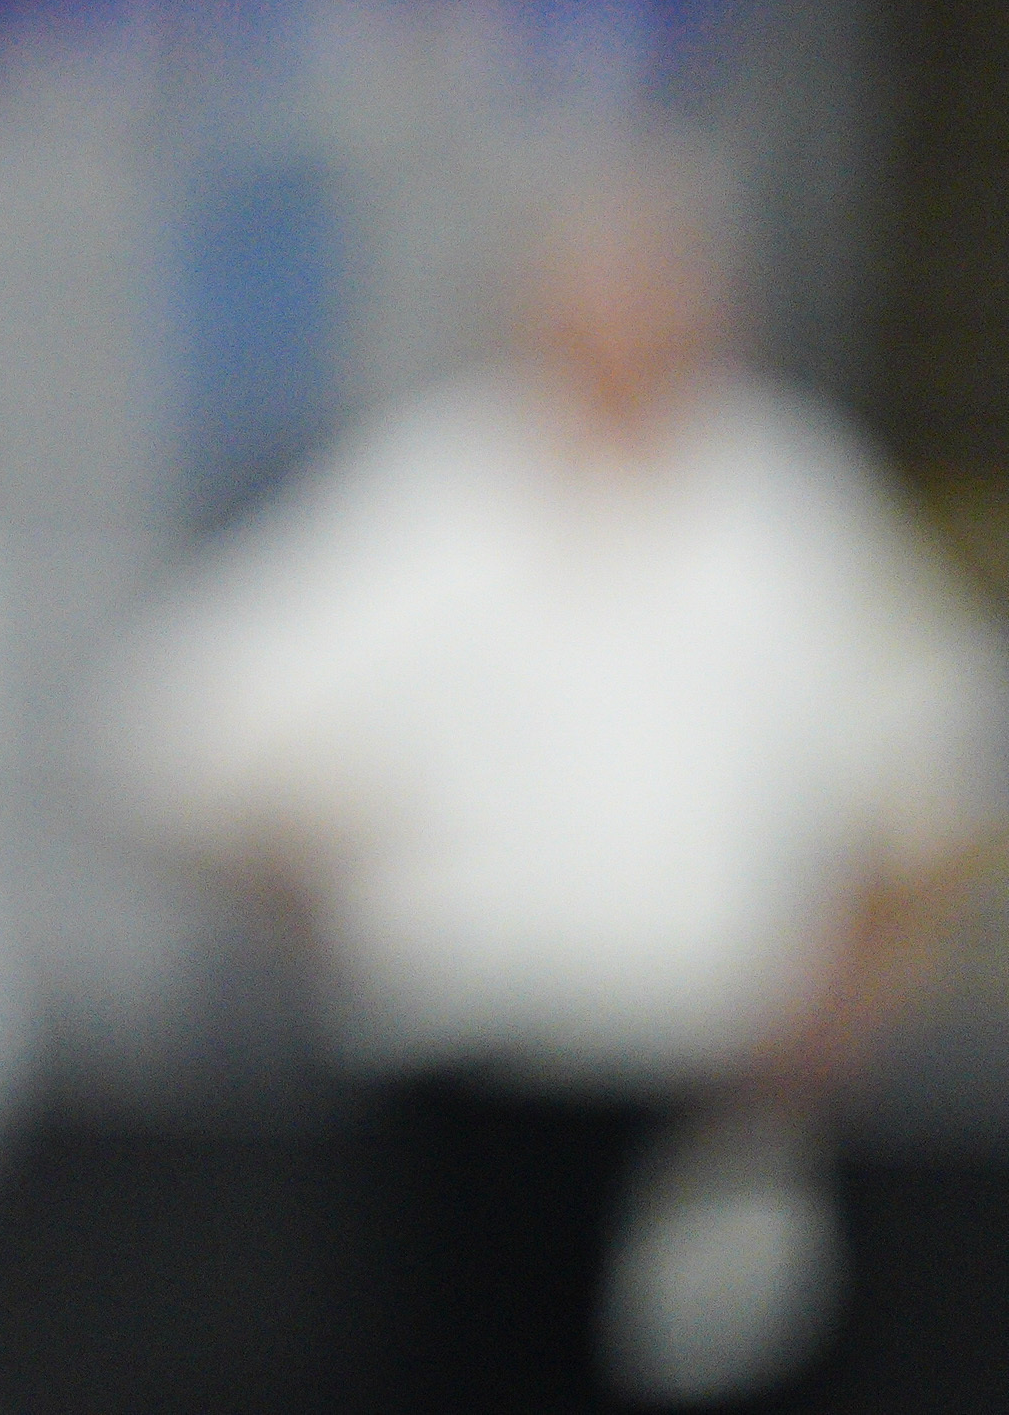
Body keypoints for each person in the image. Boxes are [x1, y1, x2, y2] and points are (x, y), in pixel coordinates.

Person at [114, 150, 1006, 1415]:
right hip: (476, 1099)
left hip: (722, 1095)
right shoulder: (434, 498)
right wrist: (324, 915)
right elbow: (182, 727)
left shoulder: (782, 502)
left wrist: (842, 1003)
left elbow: (943, 770)